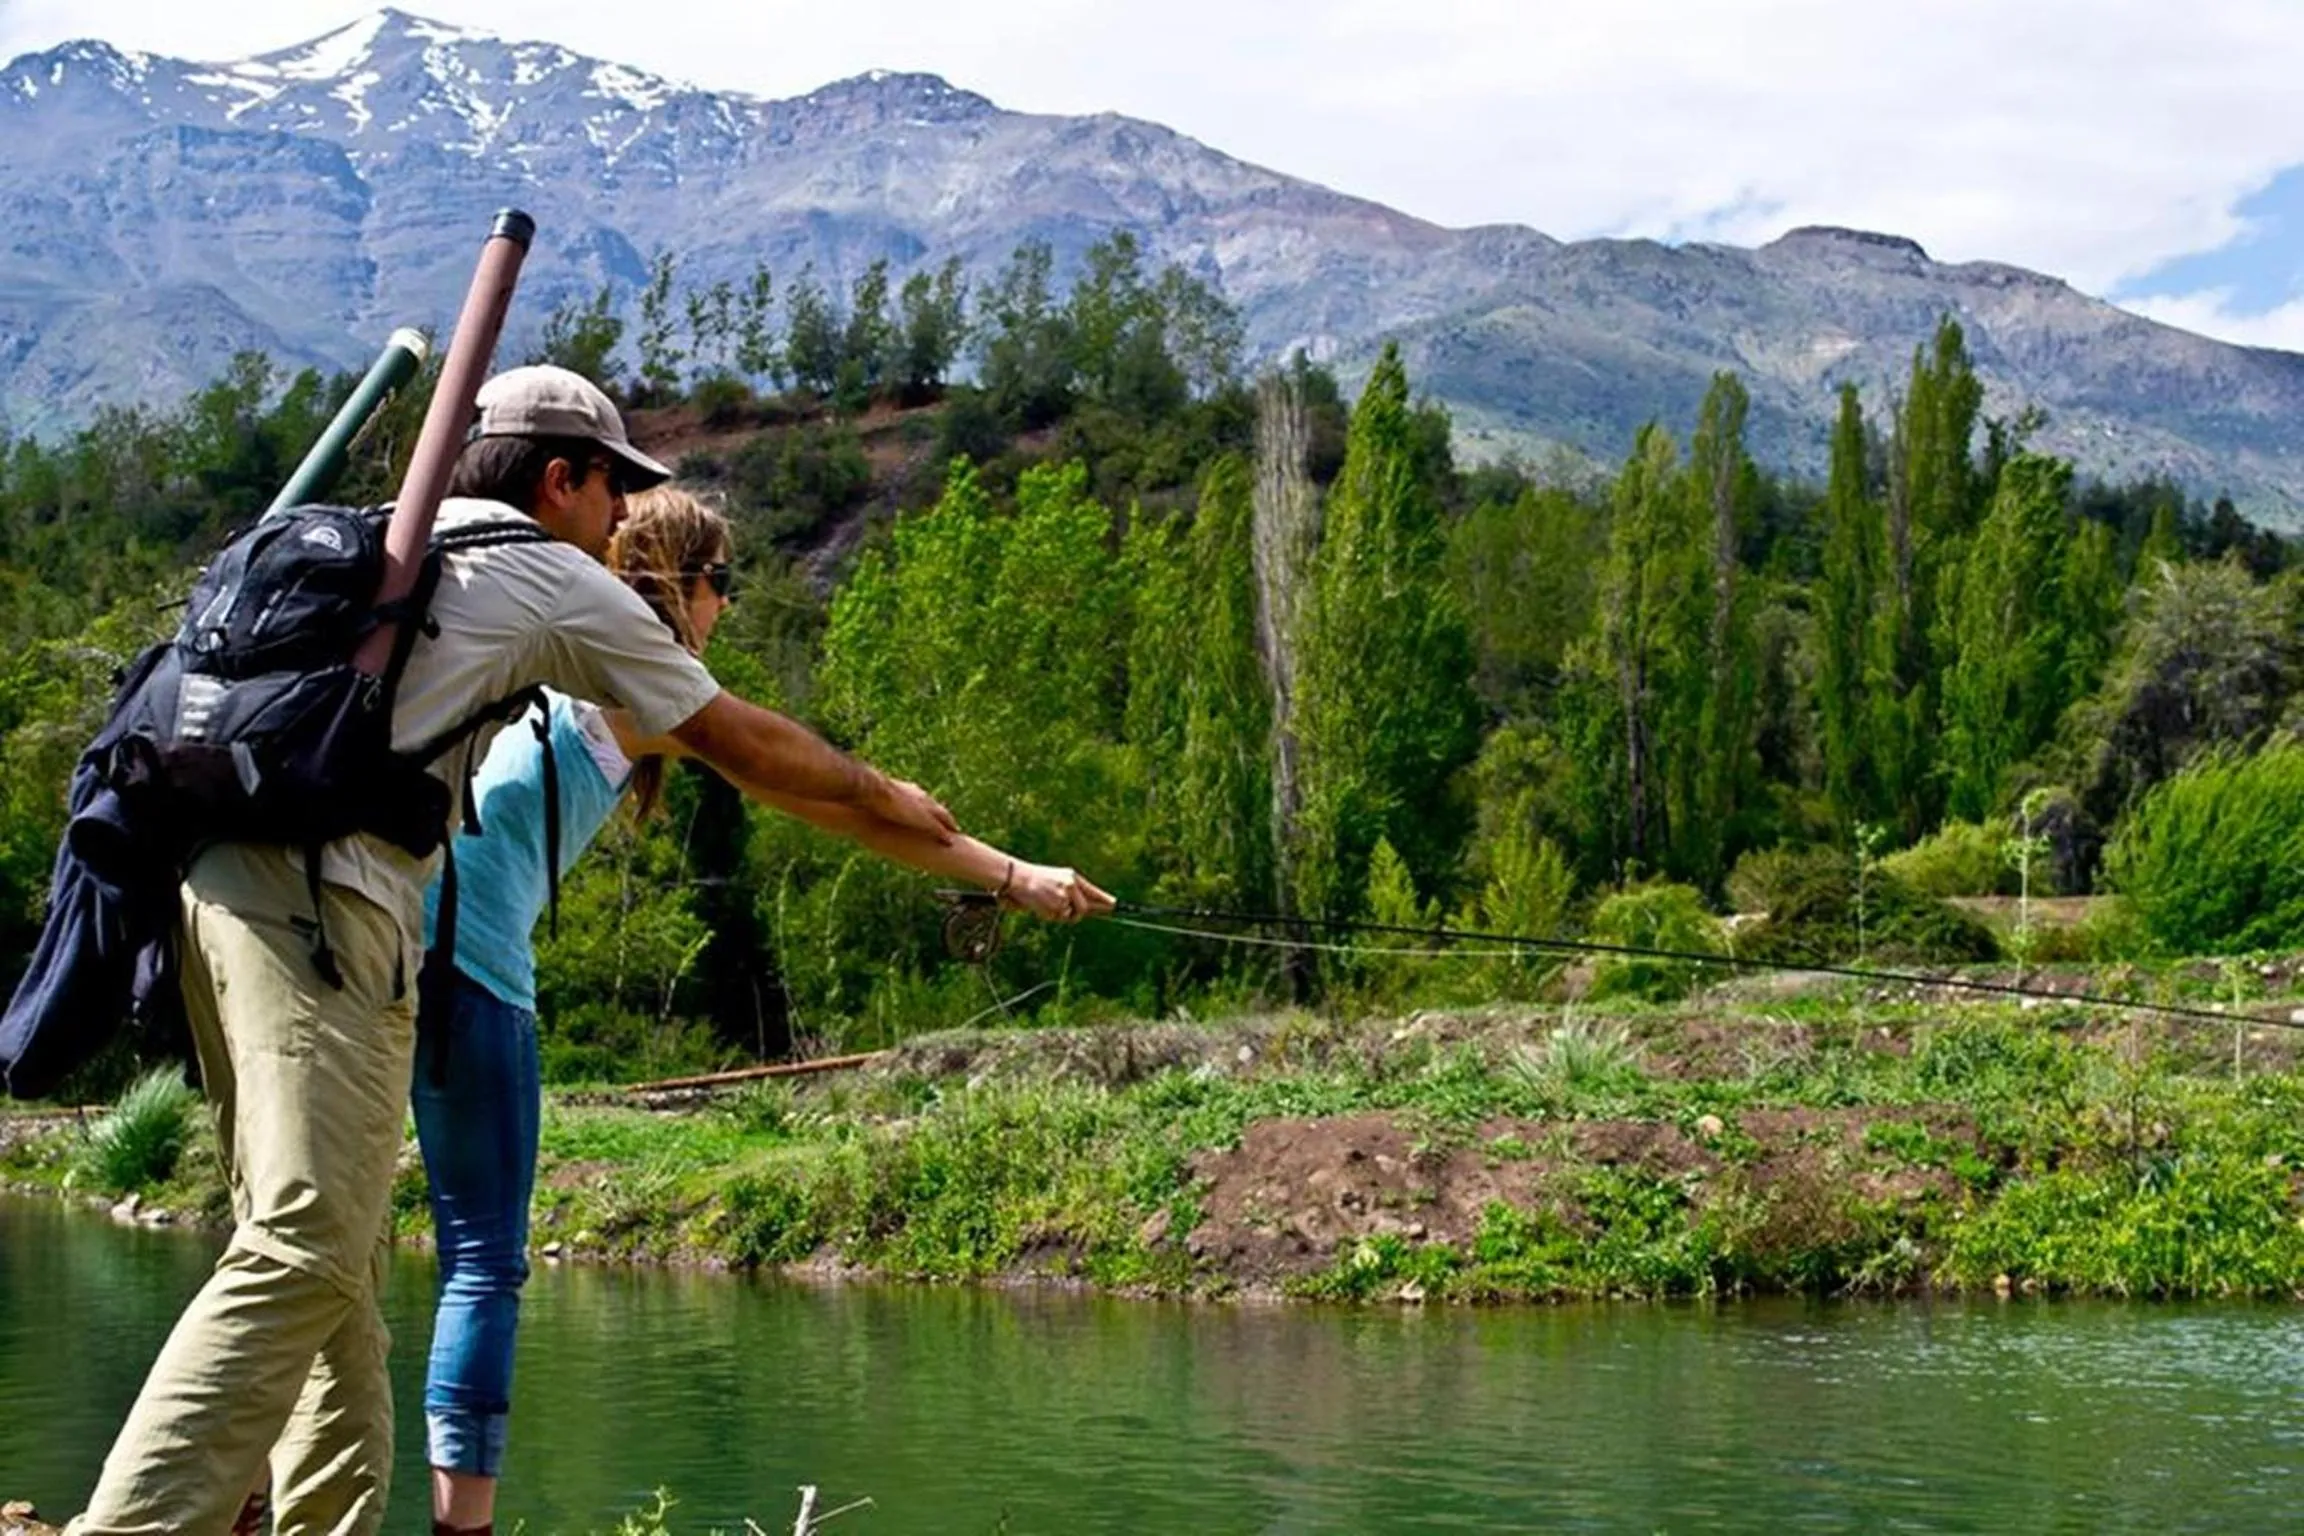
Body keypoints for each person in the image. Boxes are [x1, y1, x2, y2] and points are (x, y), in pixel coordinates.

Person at [67, 367, 969, 1536]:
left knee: (330, 1251)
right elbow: (735, 738)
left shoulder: (396, 540)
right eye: (613, 491)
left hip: (217, 899)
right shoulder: (543, 571)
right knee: (304, 1243)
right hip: (329, 910)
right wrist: (886, 786)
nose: (620, 524)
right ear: (561, 480)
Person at [413, 486, 1111, 1534]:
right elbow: (811, 789)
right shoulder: (633, 692)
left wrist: (999, 868)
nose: (727, 608)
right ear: (674, 583)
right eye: (720, 584)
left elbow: (830, 800)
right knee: (482, 1259)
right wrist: (1009, 872)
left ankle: (254, 1492)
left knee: (330, 1244)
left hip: (384, 949)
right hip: (472, 970)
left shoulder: (548, 661)